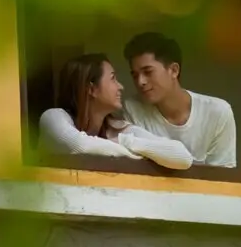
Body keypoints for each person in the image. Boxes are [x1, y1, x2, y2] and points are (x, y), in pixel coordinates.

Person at [37, 53, 194, 169]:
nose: (121, 86)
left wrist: (125, 141)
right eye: (113, 79)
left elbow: (183, 157)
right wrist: (140, 154)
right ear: (91, 89)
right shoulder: (53, 118)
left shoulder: (119, 129)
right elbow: (80, 147)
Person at [123, 32, 237, 167]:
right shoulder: (133, 109)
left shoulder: (217, 112)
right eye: (135, 75)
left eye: (148, 72)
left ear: (174, 70)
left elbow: (224, 177)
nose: (140, 81)